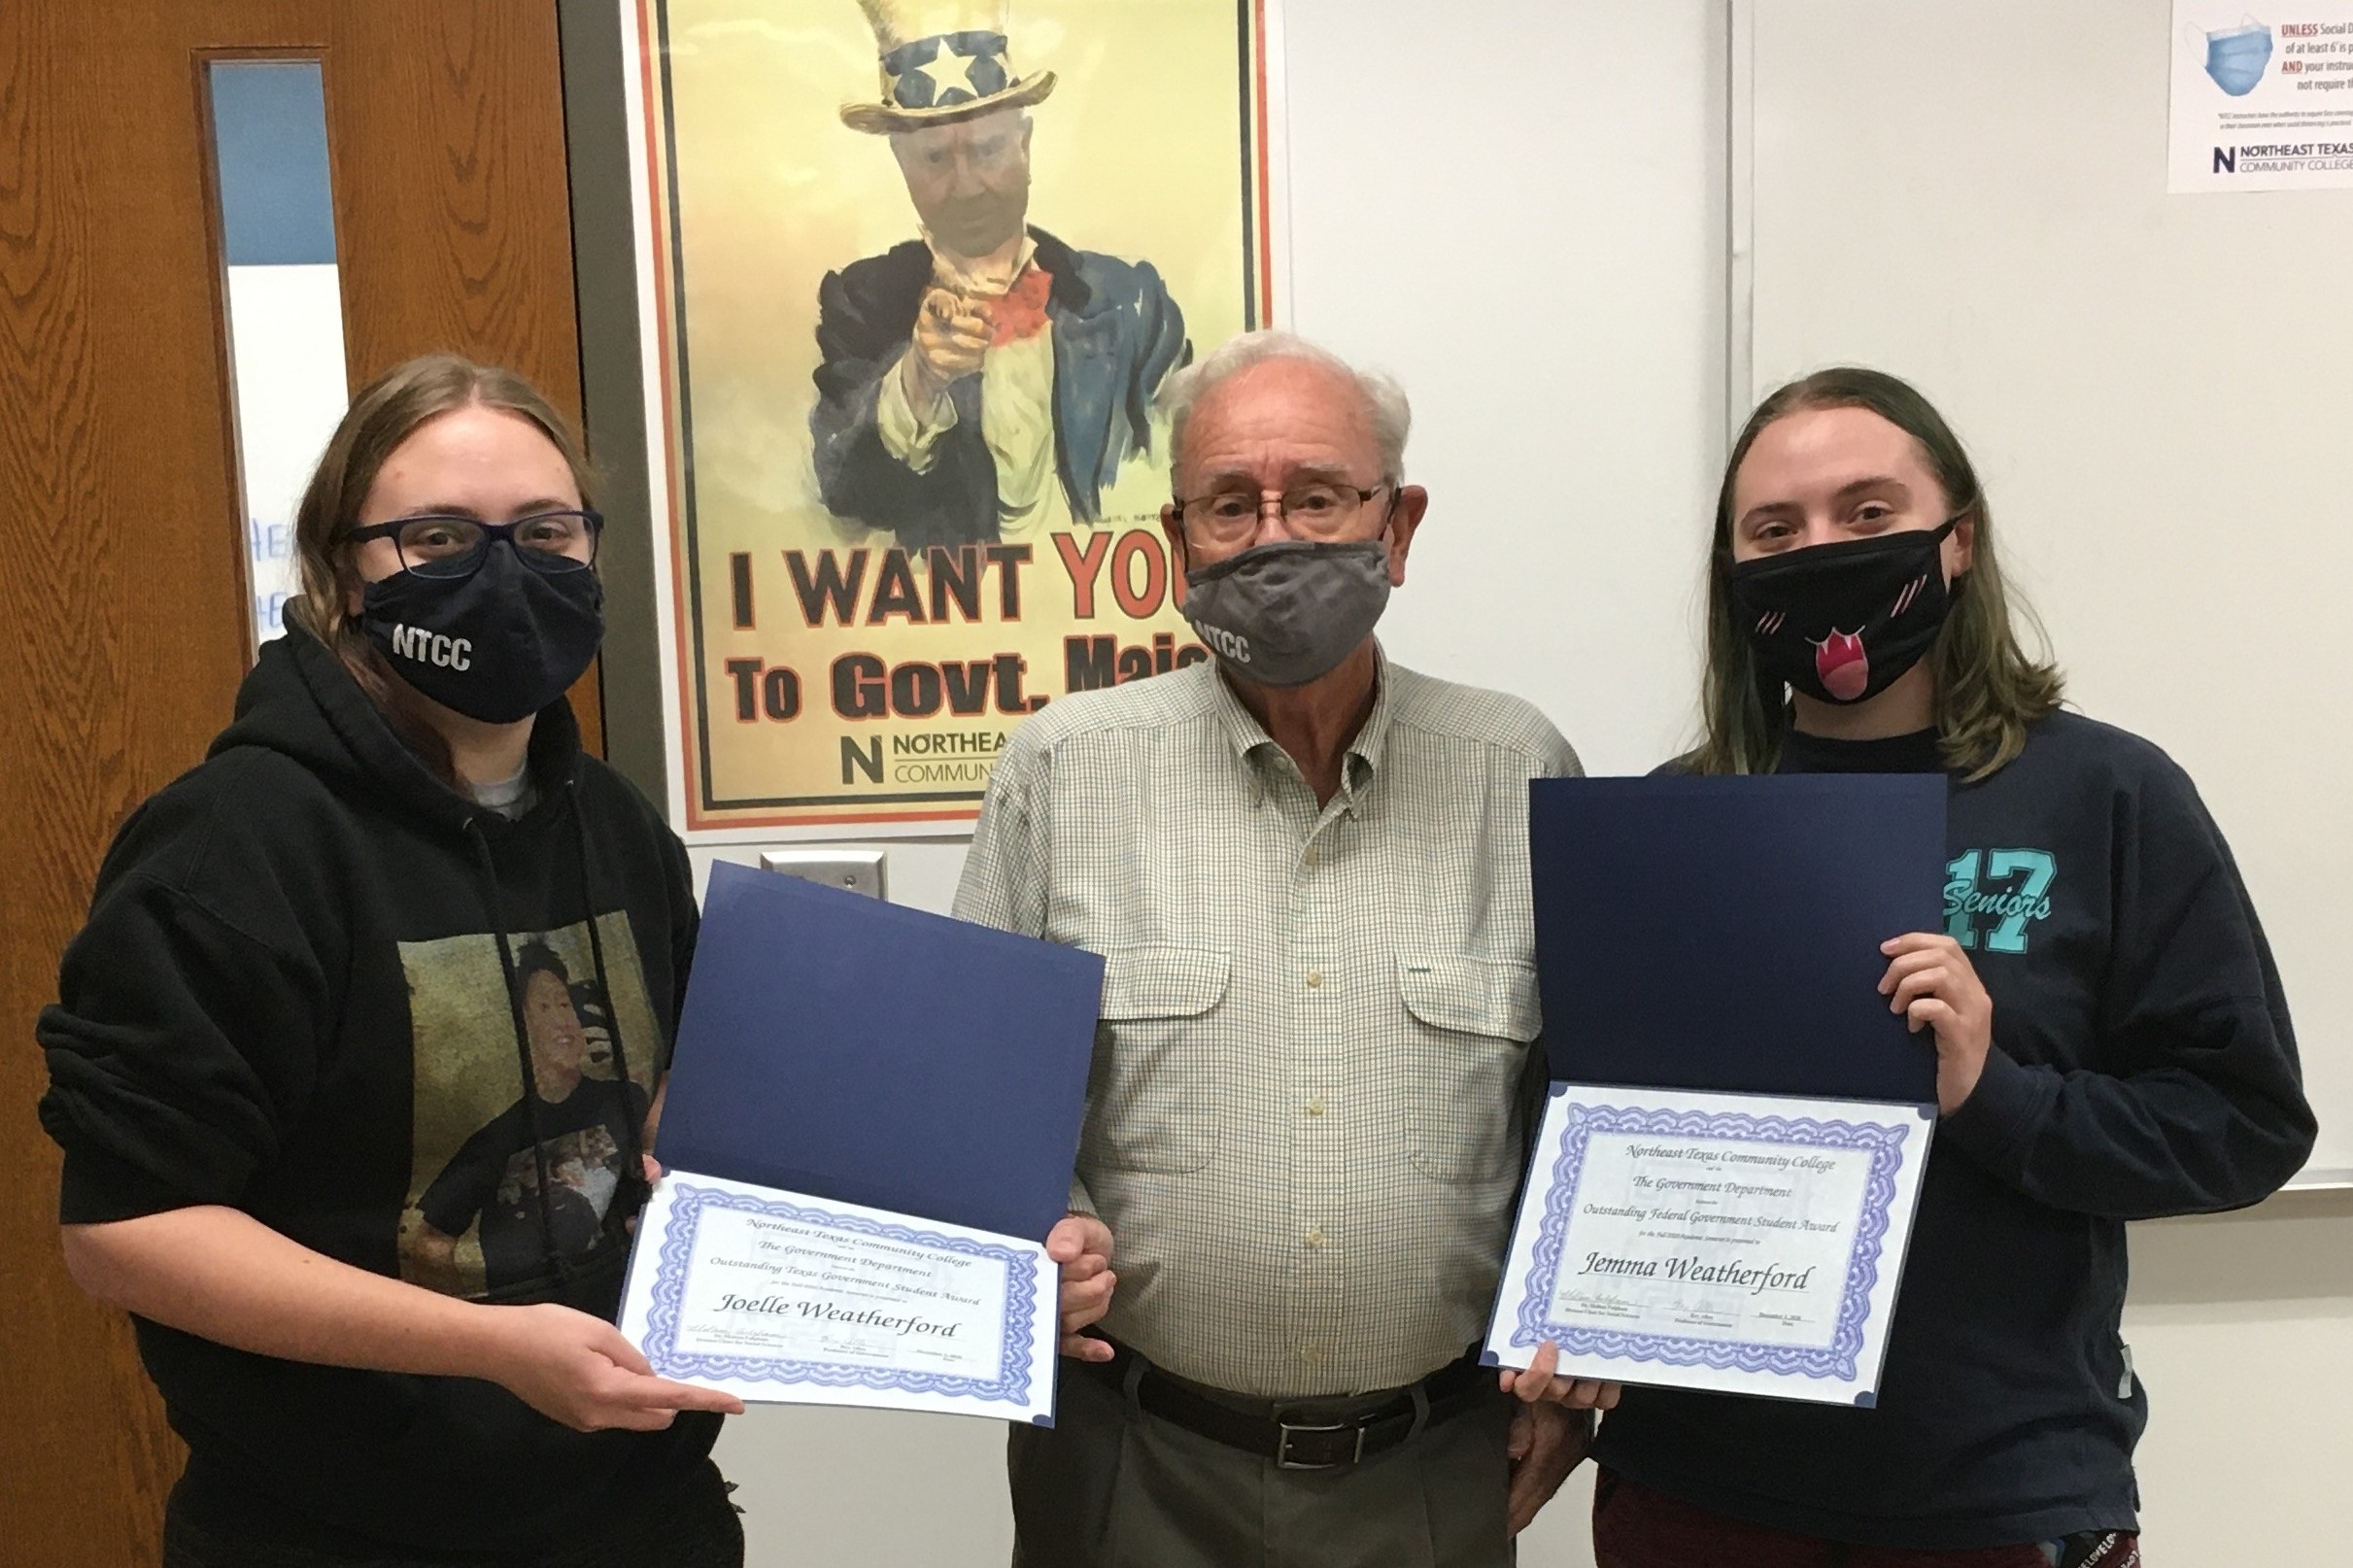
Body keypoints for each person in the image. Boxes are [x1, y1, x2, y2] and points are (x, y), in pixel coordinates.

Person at [1586, 368, 2317, 1568]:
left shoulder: (2104, 794)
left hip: (1991, 1496)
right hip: (1699, 1491)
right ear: (1734, 573)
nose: (1820, 549)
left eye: (1868, 513)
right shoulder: (1687, 817)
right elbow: (1606, 1115)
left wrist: (1996, 1092)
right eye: (1776, 530)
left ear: (1957, 540)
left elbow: (2244, 1125)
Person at [38, 355, 747, 1566]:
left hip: (644, 1511)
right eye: (436, 538)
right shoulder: (238, 843)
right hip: (336, 1532)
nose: (506, 571)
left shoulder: (618, 826)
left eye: (545, 529)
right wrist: (487, 1345)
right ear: (340, 573)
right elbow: (128, 1229)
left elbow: (665, 1105)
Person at [953, 329, 1616, 1568]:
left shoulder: (1518, 769)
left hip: (1425, 1471)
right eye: (1229, 505)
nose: (1273, 538)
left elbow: (1581, 1104)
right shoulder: (1065, 768)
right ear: (1174, 544)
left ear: (1398, 526)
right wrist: (1046, 1229)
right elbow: (977, 1099)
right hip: (1130, 1464)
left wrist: (1571, 1334)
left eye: (1318, 497)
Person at [811, 0, 1189, 550]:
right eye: (935, 159)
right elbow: (847, 495)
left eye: (987, 150)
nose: (966, 186)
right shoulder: (862, 304)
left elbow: (1184, 479)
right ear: (901, 164)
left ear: (1025, 146)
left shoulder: (1132, 303)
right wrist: (918, 380)